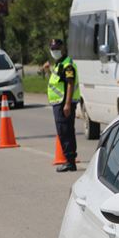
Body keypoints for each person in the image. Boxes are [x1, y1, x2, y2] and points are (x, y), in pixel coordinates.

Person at [45, 39, 80, 172]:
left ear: (63, 48)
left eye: (57, 49)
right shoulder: (59, 64)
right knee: (64, 132)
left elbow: (70, 84)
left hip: (64, 103)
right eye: (53, 49)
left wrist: (67, 105)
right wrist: (48, 71)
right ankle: (69, 160)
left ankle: (70, 161)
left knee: (65, 132)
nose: (55, 51)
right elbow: (57, 83)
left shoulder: (67, 65)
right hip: (59, 103)